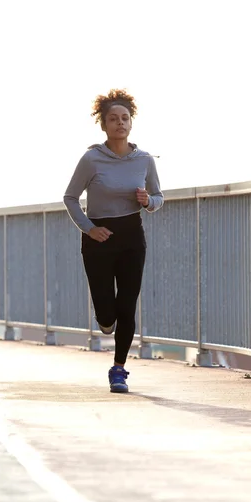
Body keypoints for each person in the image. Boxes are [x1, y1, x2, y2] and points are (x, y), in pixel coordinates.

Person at [63, 89, 164, 393]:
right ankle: (105, 322)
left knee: (128, 305)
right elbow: (70, 198)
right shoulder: (91, 159)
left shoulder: (144, 160)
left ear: (131, 123)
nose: (120, 123)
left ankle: (118, 369)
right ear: (104, 124)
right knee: (107, 313)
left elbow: (159, 196)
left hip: (132, 236)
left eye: (125, 118)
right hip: (98, 238)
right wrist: (89, 228)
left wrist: (149, 201)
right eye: (113, 119)